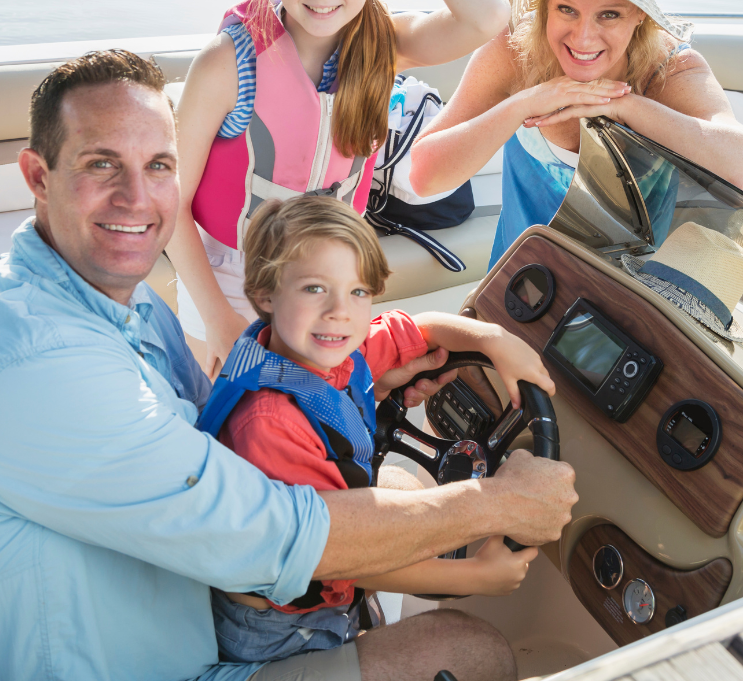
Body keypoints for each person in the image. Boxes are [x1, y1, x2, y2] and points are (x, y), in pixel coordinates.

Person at [0, 50, 578, 681]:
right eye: (101, 165)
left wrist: (365, 388)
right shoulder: (40, 366)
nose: (138, 198)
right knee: (471, 651)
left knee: (399, 495)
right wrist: (500, 502)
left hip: (189, 617)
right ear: (37, 177)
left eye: (160, 166)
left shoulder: (119, 306)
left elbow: (226, 444)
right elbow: (282, 538)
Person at [168, 0, 508, 375]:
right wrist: (219, 318)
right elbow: (170, 201)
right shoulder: (228, 60)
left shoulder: (383, 45)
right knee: (234, 430)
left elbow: (487, 17)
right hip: (230, 282)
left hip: (334, 277)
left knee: (318, 429)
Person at [197, 195, 554, 663]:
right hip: (278, 629)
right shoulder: (268, 423)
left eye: (359, 292)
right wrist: (475, 577)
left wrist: (493, 340)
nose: (340, 312)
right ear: (264, 294)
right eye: (313, 289)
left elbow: (422, 329)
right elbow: (347, 558)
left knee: (406, 486)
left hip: (328, 579)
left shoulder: (337, 352)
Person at [407, 0, 743, 266]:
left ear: (640, 13)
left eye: (609, 15)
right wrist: (524, 103)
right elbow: (423, 177)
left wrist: (625, 105)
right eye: (567, 9)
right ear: (545, 1)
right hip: (518, 291)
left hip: (631, 298)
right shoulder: (513, 51)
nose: (582, 38)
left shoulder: (668, 70)